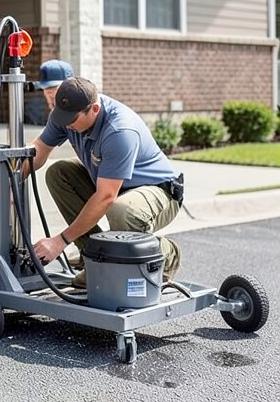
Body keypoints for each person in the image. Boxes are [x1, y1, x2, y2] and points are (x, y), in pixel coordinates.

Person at [28, 76, 183, 288]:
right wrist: (10, 179)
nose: (66, 124)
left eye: (72, 119)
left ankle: (166, 252)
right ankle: (93, 259)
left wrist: (60, 241)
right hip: (113, 186)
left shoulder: (119, 131)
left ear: (94, 110)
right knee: (58, 173)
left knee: (122, 212)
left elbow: (106, 197)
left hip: (158, 192)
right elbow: (39, 149)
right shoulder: (66, 116)